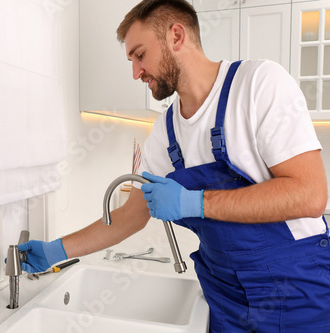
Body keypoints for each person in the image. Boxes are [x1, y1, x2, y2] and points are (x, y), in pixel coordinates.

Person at [17, 0, 330, 331]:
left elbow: (309, 194)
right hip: (223, 294)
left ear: (176, 36)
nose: (135, 72)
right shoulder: (164, 133)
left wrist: (195, 202)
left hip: (295, 289)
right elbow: (126, 218)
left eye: (139, 55)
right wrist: (56, 250)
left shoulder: (257, 84)